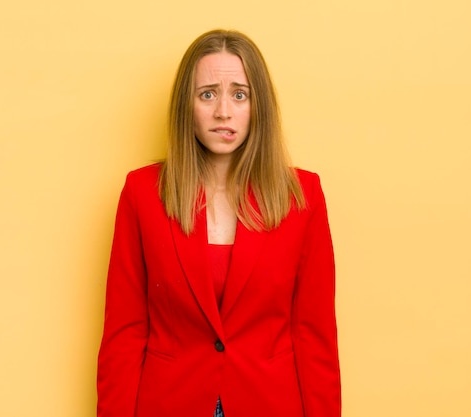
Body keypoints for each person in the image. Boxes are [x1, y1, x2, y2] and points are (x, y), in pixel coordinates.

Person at [97, 29, 341, 417]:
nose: (223, 111)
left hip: (270, 404)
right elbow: (124, 334)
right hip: (169, 404)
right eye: (207, 93)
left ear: (257, 106)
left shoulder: (303, 196)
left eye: (239, 94)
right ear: (186, 106)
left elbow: (314, 336)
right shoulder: (142, 194)